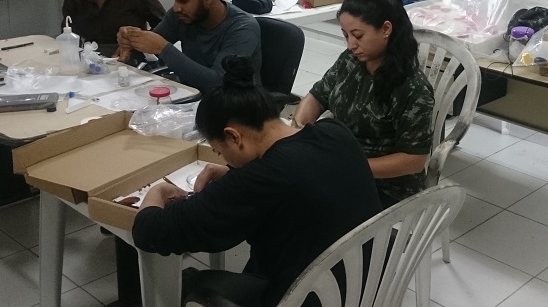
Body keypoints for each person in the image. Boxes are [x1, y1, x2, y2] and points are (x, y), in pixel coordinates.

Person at [132, 56, 382, 307]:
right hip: (367, 286)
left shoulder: (259, 180)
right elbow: (303, 179)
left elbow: (149, 232)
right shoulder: (335, 132)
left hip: (303, 298)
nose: (223, 158)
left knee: (196, 283)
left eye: (219, 151)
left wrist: (158, 191)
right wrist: (233, 174)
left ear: (233, 136)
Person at [293, 0, 435, 207]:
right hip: (340, 164)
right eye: (346, 35)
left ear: (386, 29)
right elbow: (317, 96)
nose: (351, 44)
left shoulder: (412, 88)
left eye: (358, 36)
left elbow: (414, 160)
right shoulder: (350, 61)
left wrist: (352, 167)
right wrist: (300, 129)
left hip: (385, 187)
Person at [117, 0, 261, 92]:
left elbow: (217, 83)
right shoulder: (182, 15)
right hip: (190, 94)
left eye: (183, 1)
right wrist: (131, 42)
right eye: (175, 0)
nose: (176, 8)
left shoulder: (243, 28)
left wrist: (164, 49)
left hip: (235, 103)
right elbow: (151, 46)